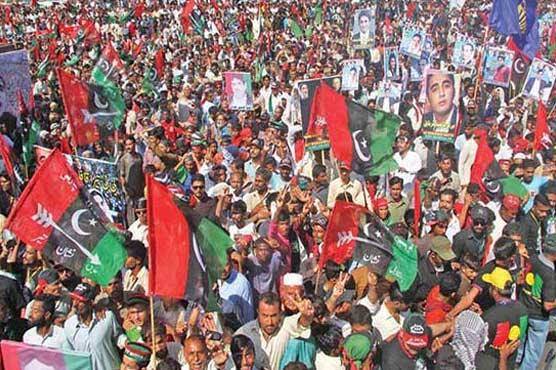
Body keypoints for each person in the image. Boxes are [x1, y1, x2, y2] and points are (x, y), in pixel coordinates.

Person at [234, 291, 314, 370]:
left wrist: (306, 315)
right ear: (258, 312)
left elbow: (302, 323)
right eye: (265, 316)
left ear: (280, 313)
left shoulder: (285, 325)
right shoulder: (245, 333)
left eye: (274, 316)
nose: (270, 322)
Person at [64, 283, 125, 370]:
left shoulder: (107, 317)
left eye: (80, 301)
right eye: (73, 299)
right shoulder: (69, 325)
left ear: (90, 302)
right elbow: (70, 355)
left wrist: (126, 342)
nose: (75, 304)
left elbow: (118, 337)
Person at [517, 234, 556, 369]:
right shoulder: (550, 273)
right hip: (539, 317)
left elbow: (521, 279)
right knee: (532, 355)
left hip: (523, 308)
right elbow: (548, 305)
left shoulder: (533, 259)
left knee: (518, 347)